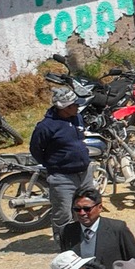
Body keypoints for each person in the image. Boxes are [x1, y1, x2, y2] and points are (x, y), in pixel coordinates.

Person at [30, 88, 92, 233]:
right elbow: (36, 149)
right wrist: (54, 164)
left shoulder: (77, 117)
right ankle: (64, 247)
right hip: (62, 178)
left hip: (84, 174)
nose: (78, 107)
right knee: (63, 214)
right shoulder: (45, 127)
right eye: (75, 105)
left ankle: (86, 241)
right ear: (64, 108)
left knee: (87, 211)